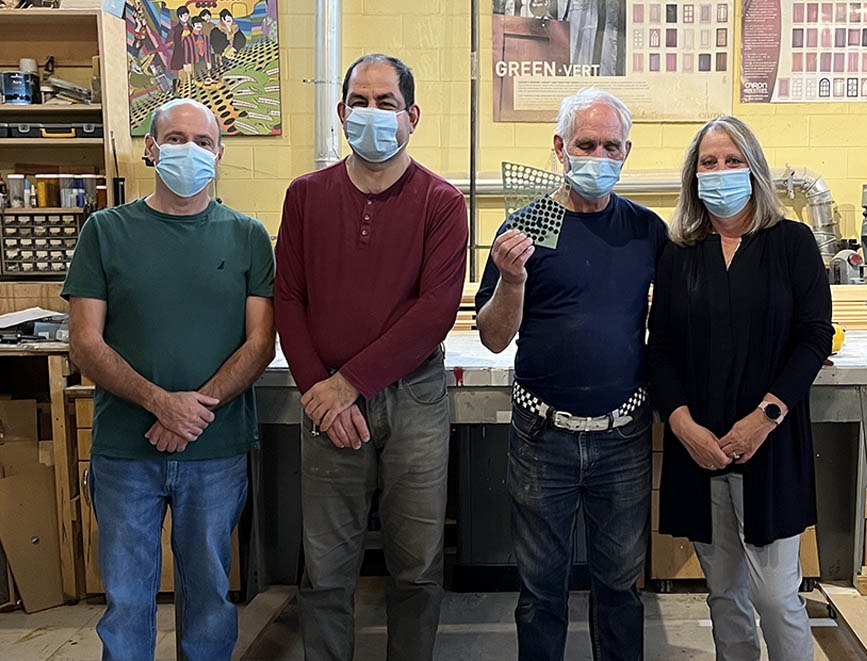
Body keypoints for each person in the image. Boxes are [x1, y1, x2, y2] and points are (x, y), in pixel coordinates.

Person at [62, 98, 276, 661]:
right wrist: (161, 403)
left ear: (220, 154)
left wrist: (191, 411)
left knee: (209, 598)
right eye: (176, 139)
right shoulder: (105, 232)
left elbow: (260, 343)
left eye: (203, 142)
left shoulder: (248, 236)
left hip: (215, 450)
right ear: (152, 149)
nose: (190, 151)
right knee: (127, 601)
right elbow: (85, 341)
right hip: (125, 452)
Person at [274, 53, 468, 661]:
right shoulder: (305, 196)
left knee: (417, 565)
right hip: (325, 398)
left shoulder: (442, 202)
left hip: (413, 399)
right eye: (360, 102)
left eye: (387, 103)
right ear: (341, 112)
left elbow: (435, 312)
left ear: (413, 116)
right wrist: (321, 391)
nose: (372, 114)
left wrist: (347, 386)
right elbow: (289, 299)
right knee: (326, 568)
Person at [475, 87, 667, 660]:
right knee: (540, 592)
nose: (599, 157)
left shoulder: (646, 231)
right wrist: (512, 281)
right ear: (560, 147)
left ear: (627, 151)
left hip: (623, 436)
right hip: (542, 437)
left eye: (611, 146)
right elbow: (493, 337)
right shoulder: (524, 228)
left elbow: (679, 319)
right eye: (586, 145)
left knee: (621, 589)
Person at [646, 116, 833, 661]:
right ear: (694, 175)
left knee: (774, 595)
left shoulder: (791, 243)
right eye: (709, 162)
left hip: (769, 445)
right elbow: (660, 349)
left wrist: (764, 417)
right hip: (698, 447)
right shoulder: (679, 251)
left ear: (755, 170)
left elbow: (814, 336)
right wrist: (682, 425)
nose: (721, 171)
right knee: (724, 594)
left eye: (733, 160)